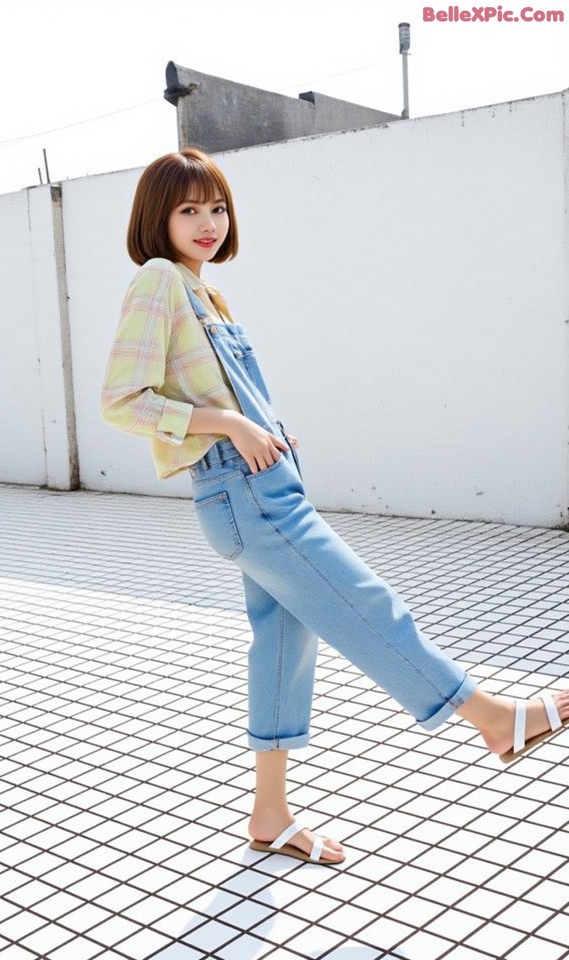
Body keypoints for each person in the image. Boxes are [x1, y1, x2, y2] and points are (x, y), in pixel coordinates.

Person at [101, 147, 569, 865]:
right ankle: (492, 719)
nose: (208, 223)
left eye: (217, 207)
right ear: (155, 219)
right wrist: (231, 426)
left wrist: (264, 425)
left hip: (261, 483)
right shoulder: (159, 282)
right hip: (242, 491)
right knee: (364, 602)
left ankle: (270, 815)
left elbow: (215, 392)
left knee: (286, 648)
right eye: (188, 209)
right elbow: (123, 400)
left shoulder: (204, 292)